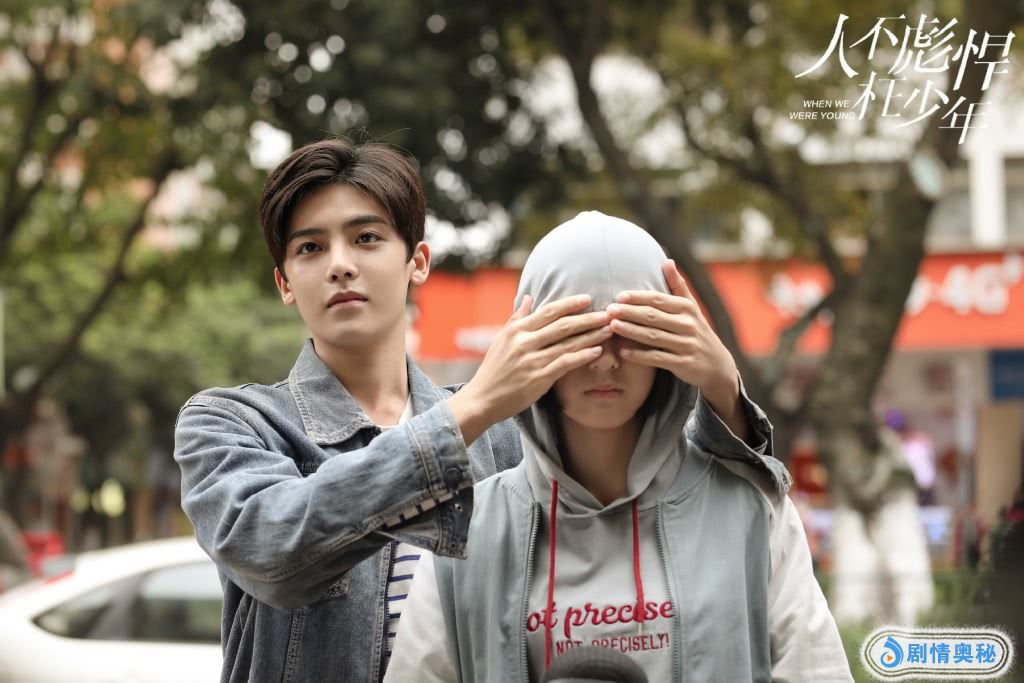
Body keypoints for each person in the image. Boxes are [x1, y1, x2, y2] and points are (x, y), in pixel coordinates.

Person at [173, 141, 772, 682]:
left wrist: (720, 387)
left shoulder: (511, 432)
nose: (340, 264)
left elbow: (664, 487)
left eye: (367, 238)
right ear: (284, 282)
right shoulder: (231, 422)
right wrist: (474, 409)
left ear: (418, 261)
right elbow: (268, 548)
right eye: (310, 247)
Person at [385, 212, 852, 682]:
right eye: (579, 335)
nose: (606, 363)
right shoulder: (466, 534)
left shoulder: (752, 512)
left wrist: (724, 384)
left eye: (628, 334)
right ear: (530, 343)